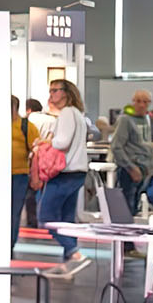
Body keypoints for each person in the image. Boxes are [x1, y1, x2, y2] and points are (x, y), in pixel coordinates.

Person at [37, 79, 91, 278]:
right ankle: (69, 264)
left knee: (46, 216)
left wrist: (45, 141)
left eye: (55, 90)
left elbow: (62, 142)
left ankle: (74, 253)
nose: (51, 95)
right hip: (76, 171)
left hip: (64, 172)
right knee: (67, 219)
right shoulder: (78, 114)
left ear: (66, 93)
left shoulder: (67, 113)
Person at [110, 89, 153, 214]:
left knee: (136, 207)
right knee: (127, 208)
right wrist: (130, 168)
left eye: (145, 102)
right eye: (138, 101)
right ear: (133, 102)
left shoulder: (146, 119)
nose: (141, 105)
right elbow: (116, 146)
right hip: (130, 169)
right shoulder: (125, 120)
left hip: (145, 168)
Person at [10, 95, 34, 252]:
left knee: (14, 211)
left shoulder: (26, 126)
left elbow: (36, 147)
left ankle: (10, 244)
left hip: (19, 175)